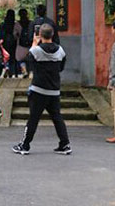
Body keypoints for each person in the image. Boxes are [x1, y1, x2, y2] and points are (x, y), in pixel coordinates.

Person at [12, 24, 72, 155]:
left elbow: (29, 63)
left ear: (39, 35)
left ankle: (25, 145)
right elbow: (61, 68)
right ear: (52, 35)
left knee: (33, 118)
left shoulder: (36, 51)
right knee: (57, 118)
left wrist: (34, 43)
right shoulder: (60, 51)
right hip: (54, 90)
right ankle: (65, 144)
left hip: (38, 90)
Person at [0, 9, 19, 78]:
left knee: (5, 56)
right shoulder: (15, 24)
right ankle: (13, 72)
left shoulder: (3, 24)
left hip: (5, 42)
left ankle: (6, 68)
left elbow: (0, 34)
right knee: (13, 57)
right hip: (13, 42)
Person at [15, 8, 32, 77]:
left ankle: (24, 70)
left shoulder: (17, 24)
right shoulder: (31, 23)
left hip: (21, 44)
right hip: (30, 44)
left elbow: (15, 34)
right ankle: (30, 72)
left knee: (20, 58)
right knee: (30, 58)